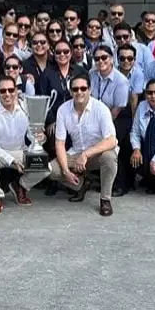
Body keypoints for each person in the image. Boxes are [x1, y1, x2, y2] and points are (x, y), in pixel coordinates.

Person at [49, 76, 119, 216]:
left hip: (97, 154)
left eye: (83, 88)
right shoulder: (63, 110)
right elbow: (60, 143)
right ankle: (81, 184)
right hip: (76, 153)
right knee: (51, 170)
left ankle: (105, 199)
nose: (79, 92)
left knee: (110, 157)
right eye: (75, 89)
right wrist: (66, 171)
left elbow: (112, 140)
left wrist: (86, 154)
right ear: (70, 92)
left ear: (90, 90)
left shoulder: (101, 109)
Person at [0, 77, 43, 216]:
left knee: (45, 167)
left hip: (20, 150)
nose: (7, 94)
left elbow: (32, 135)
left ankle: (20, 186)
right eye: (3, 90)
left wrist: (39, 139)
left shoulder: (26, 107)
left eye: (10, 90)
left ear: (16, 91)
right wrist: (11, 160)